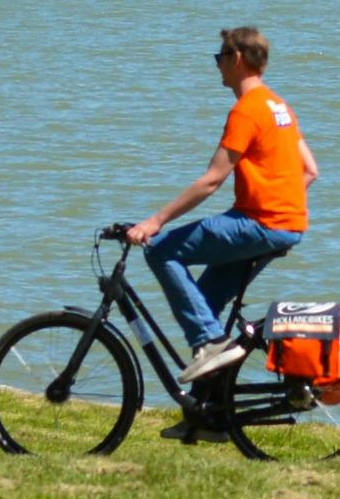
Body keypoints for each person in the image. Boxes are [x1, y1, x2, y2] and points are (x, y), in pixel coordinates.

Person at [124, 26, 320, 390]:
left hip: (259, 223)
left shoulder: (247, 111)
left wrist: (154, 221)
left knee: (163, 251)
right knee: (206, 301)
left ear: (238, 59)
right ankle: (208, 413)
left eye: (220, 58)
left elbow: (211, 180)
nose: (217, 66)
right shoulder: (280, 107)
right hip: (287, 224)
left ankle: (210, 344)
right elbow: (309, 170)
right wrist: (278, 199)